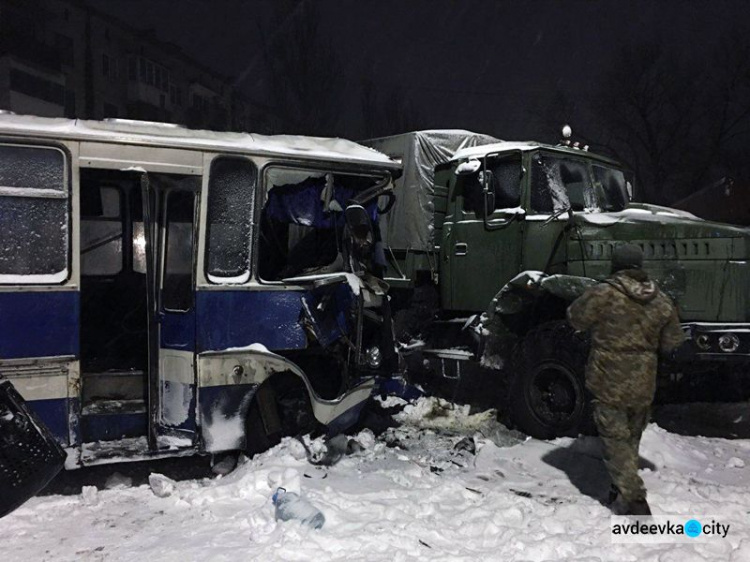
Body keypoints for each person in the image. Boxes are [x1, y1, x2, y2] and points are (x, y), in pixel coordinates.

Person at [567, 243, 685, 516]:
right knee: (631, 438)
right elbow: (672, 341)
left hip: (609, 377)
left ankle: (634, 500)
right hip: (644, 380)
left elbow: (575, 317)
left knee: (615, 440)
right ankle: (620, 488)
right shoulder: (661, 299)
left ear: (616, 265)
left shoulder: (604, 293)